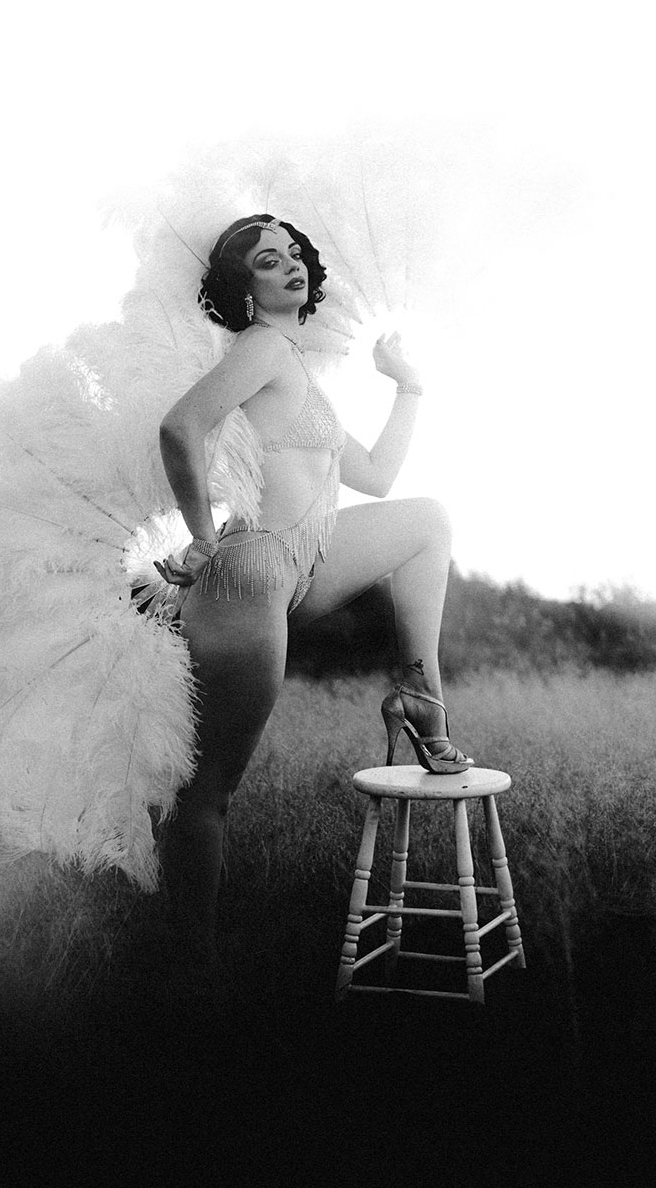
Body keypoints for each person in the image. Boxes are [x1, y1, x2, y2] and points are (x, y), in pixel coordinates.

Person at [154, 214, 472, 943]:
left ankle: (420, 697)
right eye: (270, 260)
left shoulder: (291, 362)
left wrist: (409, 387)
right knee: (211, 789)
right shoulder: (263, 346)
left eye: (295, 253)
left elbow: (376, 475)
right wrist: (203, 538)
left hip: (305, 562)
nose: (291, 265)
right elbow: (181, 426)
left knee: (428, 521)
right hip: (252, 573)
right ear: (245, 289)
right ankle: (189, 968)